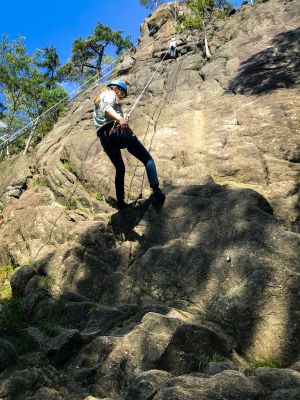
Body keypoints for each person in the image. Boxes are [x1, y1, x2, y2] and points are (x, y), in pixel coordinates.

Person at [94, 80, 165, 210]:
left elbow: (106, 115)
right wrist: (121, 119)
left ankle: (120, 202)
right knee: (147, 159)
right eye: (122, 93)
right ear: (115, 89)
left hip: (106, 140)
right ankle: (156, 190)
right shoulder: (109, 94)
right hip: (116, 133)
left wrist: (122, 116)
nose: (122, 97)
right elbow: (107, 109)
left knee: (120, 169)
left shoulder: (99, 100)